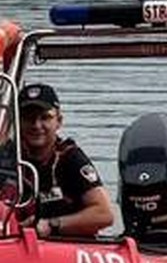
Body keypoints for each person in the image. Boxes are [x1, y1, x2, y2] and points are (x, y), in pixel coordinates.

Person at [10, 81, 115, 238]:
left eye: (45, 118)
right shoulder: (6, 156)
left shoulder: (70, 158)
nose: (36, 125)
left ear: (58, 121)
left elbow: (104, 214)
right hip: (15, 243)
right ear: (17, 122)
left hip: (65, 243)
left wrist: (52, 224)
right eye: (28, 118)